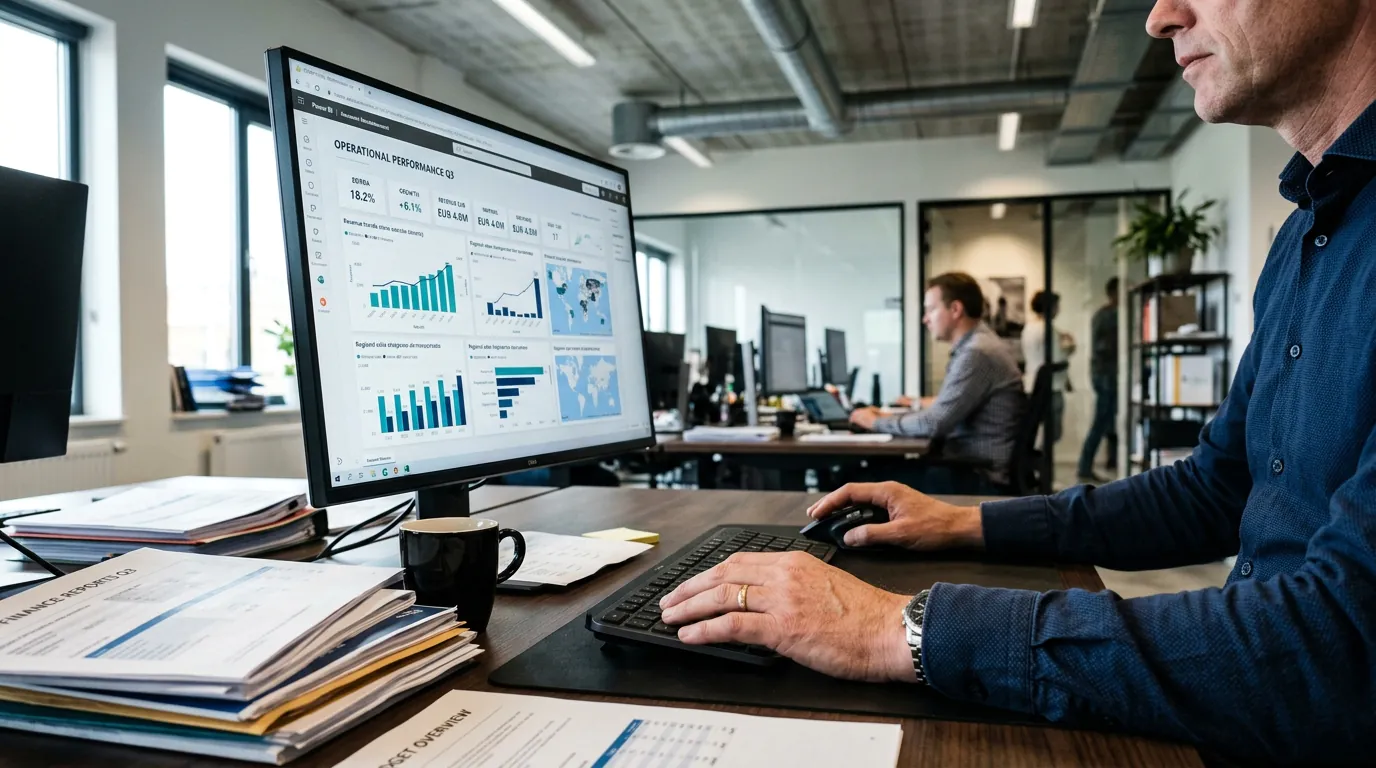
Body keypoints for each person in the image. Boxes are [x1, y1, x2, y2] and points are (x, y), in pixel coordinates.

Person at [656, 0, 1376, 760]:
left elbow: (1345, 648)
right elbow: (1214, 489)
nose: (1161, 17)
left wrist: (896, 628)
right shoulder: (1306, 235)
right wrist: (964, 523)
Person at [849, 272, 1024, 493]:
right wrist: (890, 416)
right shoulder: (979, 345)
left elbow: (934, 424)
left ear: (955, 310)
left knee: (859, 477)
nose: (925, 319)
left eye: (931, 309)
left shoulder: (977, 353)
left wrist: (874, 423)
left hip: (975, 475)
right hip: (969, 465)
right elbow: (945, 406)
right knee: (877, 469)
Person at [1077, 278, 1120, 482]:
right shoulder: (1111, 315)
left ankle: (1112, 461)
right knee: (1101, 422)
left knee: (1108, 421)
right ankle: (1085, 466)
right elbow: (1105, 348)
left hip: (1103, 374)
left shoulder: (1102, 314)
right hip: (1107, 375)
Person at [1020, 290, 1075, 444]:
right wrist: (1070, 347)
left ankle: (1038, 462)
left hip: (1031, 386)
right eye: (1057, 306)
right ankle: (1043, 463)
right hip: (1051, 387)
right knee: (1053, 434)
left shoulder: (1028, 328)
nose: (1059, 309)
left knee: (1036, 430)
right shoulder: (1048, 329)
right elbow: (1058, 358)